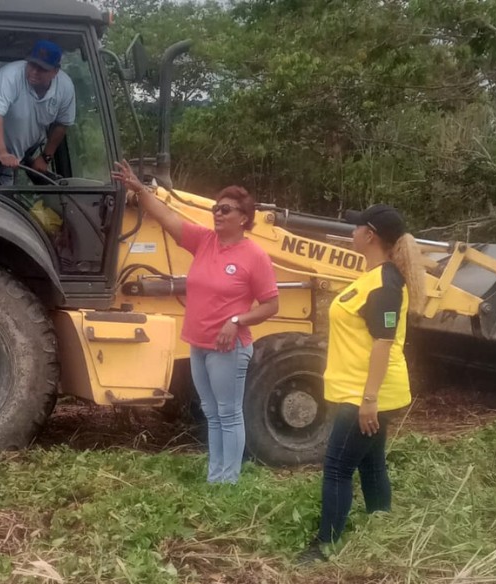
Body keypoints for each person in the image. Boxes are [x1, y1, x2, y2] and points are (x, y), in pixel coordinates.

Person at [112, 160, 279, 483]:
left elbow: (271, 305)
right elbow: (166, 217)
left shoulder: (254, 256)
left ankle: (228, 480)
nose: (218, 213)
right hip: (199, 344)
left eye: (226, 209)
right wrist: (139, 189)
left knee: (228, 413)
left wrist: (236, 320)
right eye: (216, 208)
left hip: (228, 348)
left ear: (244, 218)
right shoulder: (204, 241)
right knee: (211, 413)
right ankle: (216, 476)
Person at [297, 204, 426, 563]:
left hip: (367, 394)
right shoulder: (372, 277)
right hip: (359, 389)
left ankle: (324, 546)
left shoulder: (385, 283)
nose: (350, 232)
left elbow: (383, 342)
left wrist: (369, 399)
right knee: (371, 462)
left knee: (337, 468)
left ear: (369, 235)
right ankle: (380, 527)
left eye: (355, 227)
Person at [0, 40, 76, 185]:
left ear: (55, 71)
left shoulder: (65, 88)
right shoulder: (9, 76)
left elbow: (62, 124)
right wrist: (2, 153)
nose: (34, 72)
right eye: (32, 65)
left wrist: (45, 157)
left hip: (28, 149)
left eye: (42, 69)